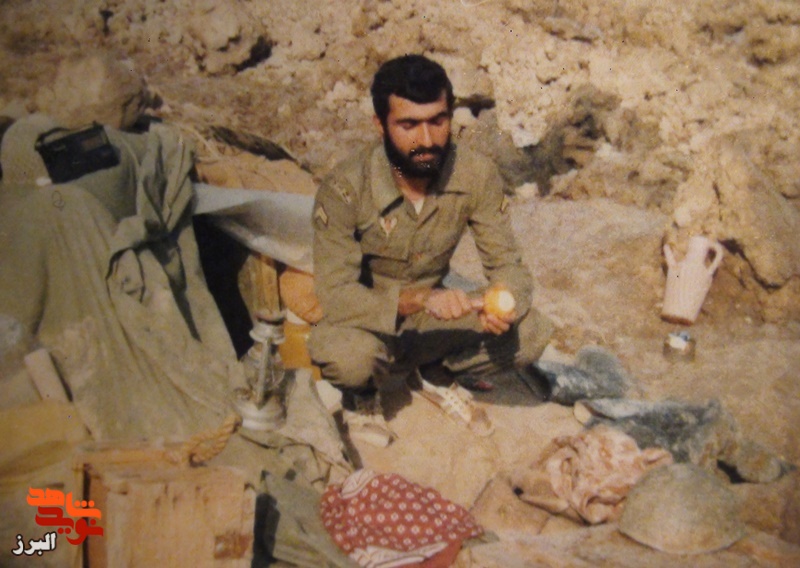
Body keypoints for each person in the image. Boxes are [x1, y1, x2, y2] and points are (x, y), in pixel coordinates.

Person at [309, 54, 552, 446]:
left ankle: (434, 371)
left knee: (532, 332)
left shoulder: (476, 174)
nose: (426, 140)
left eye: (438, 121)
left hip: (431, 322)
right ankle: (363, 393)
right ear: (380, 125)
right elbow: (336, 295)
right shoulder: (346, 188)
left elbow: (509, 265)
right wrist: (417, 299)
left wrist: (501, 304)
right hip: (369, 321)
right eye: (408, 125)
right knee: (347, 358)